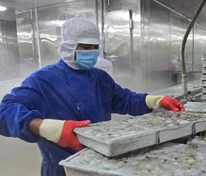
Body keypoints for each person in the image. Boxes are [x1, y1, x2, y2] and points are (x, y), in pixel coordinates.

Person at [0, 18, 185, 176]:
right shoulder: (43, 80)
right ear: (68, 47)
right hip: (61, 169)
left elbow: (123, 99)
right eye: (86, 47)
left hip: (101, 162)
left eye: (95, 47)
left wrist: (155, 100)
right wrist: (48, 128)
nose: (92, 52)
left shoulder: (99, 77)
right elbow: (5, 112)